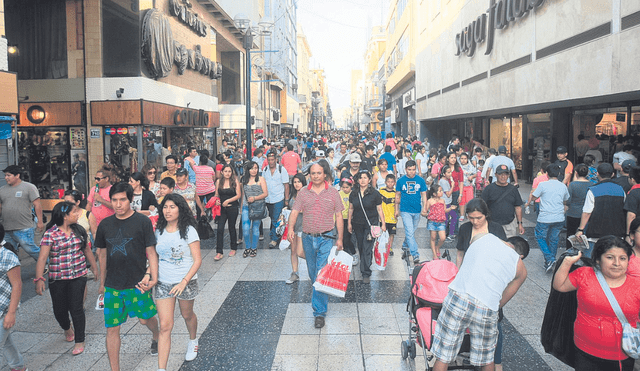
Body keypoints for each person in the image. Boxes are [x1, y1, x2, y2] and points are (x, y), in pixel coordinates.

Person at [431, 233, 528, 371]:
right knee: (487, 359)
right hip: (486, 307)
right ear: (521, 256)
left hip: (459, 297)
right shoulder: (520, 267)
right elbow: (502, 300)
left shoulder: (484, 237)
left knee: (443, 356)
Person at [94, 182, 160, 370]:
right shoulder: (105, 224)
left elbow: (151, 252)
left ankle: (156, 334)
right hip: (113, 285)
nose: (118, 204)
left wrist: (153, 277)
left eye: (122, 199)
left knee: (145, 319)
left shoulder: (142, 222)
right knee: (112, 328)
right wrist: (102, 283)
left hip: (138, 283)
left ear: (130, 199)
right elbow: (102, 254)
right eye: (114, 200)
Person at [553, 236, 640, 371]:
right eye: (610, 257)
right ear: (598, 260)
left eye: (622, 258)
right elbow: (560, 286)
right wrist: (567, 262)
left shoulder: (636, 285)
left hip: (621, 354)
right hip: (585, 351)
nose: (617, 263)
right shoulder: (584, 274)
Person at [453, 198, 509, 370]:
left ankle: (495, 362)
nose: (475, 222)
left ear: (486, 215)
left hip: (491, 283)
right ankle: (469, 353)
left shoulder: (496, 229)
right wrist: (458, 275)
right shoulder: (465, 228)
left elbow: (505, 255)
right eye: (471, 218)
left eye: (479, 218)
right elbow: (460, 254)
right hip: (469, 282)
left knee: (494, 323)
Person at [35, 201, 97, 356]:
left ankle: (80, 341)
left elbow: (87, 250)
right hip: (58, 278)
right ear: (65, 215)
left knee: (76, 308)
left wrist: (95, 268)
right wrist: (39, 279)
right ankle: (67, 328)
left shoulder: (79, 231)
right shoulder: (50, 234)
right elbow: (42, 258)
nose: (77, 214)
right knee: (59, 309)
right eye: (74, 212)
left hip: (78, 275)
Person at [287, 161, 343, 328]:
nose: (316, 176)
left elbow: (339, 216)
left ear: (324, 174)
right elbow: (294, 212)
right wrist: (290, 228)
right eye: (313, 173)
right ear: (309, 175)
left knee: (321, 273)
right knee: (313, 273)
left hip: (327, 237)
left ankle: (319, 312)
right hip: (308, 238)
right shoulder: (304, 192)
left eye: (319, 173)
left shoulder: (333, 192)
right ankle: (320, 293)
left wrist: (340, 238)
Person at [154, 194, 202, 369]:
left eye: (172, 207)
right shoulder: (158, 230)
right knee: (165, 326)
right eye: (165, 207)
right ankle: (161, 368)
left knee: (187, 315)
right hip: (163, 282)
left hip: (185, 281)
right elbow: (154, 258)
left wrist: (183, 282)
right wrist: (148, 274)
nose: (168, 211)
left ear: (180, 209)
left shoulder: (189, 230)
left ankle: (193, 339)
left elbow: (197, 260)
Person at [574, 163, 626, 258]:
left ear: (597, 174)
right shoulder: (621, 190)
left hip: (596, 233)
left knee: (591, 260)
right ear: (612, 174)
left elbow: (587, 212)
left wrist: (580, 229)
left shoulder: (593, 190)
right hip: (616, 233)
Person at [528, 164, 569, 272]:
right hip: (559, 217)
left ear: (546, 174)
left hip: (545, 217)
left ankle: (550, 259)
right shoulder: (563, 186)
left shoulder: (542, 185)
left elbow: (534, 197)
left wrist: (533, 195)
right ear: (559, 174)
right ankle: (549, 263)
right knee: (554, 239)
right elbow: (566, 200)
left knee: (540, 237)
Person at [0, 165, 45, 262]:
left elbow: (37, 205)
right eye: (5, 175)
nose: (6, 178)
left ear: (17, 175)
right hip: (7, 228)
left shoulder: (29, 187)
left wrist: (40, 221)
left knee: (30, 249)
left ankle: (46, 262)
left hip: (24, 227)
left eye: (8, 175)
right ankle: (13, 270)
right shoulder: (2, 190)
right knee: (9, 251)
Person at [348, 170, 385, 284]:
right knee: (361, 247)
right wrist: (349, 222)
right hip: (357, 224)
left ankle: (366, 273)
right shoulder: (354, 193)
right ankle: (365, 264)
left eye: (365, 178)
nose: (363, 180)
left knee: (367, 247)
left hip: (371, 225)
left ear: (369, 180)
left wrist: (383, 223)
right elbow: (351, 208)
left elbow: (379, 209)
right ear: (357, 180)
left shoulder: (375, 193)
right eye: (360, 178)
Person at [0, 224, 27, 371]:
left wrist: (11, 313)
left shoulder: (7, 256)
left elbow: (17, 285)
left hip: (4, 309)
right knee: (5, 341)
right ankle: (18, 366)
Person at [395, 160, 428, 263]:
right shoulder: (400, 181)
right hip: (405, 210)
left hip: (417, 210)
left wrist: (425, 208)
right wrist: (396, 209)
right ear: (405, 170)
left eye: (414, 170)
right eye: (409, 170)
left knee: (411, 232)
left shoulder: (421, 180)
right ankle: (415, 254)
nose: (412, 172)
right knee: (410, 232)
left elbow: (424, 195)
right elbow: (397, 195)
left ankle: (405, 245)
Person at [481, 165, 525, 238]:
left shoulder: (513, 189)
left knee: (509, 246)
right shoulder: (489, 189)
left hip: (509, 225)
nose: (503, 176)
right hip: (492, 225)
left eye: (505, 174)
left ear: (508, 175)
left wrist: (520, 224)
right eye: (500, 174)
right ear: (495, 175)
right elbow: (482, 206)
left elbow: (518, 207)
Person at [213, 164, 242, 260]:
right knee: (220, 228)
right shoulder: (218, 182)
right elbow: (216, 194)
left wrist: (228, 201)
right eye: (225, 171)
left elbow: (238, 195)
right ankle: (219, 251)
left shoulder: (235, 182)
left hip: (232, 208)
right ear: (222, 172)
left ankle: (233, 248)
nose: (227, 173)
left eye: (229, 171)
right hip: (221, 209)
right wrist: (217, 200)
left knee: (231, 228)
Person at [241, 161, 269, 258]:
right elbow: (243, 195)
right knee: (245, 228)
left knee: (255, 228)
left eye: (256, 168)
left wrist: (254, 198)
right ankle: (247, 247)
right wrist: (241, 208)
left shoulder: (261, 179)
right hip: (246, 206)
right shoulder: (244, 179)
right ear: (248, 169)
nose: (254, 170)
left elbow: (265, 193)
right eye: (252, 168)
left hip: (258, 206)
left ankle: (253, 248)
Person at [262, 152, 290, 249]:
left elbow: (286, 185)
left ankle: (274, 239)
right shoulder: (265, 170)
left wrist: (286, 200)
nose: (271, 162)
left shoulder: (282, 170)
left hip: (279, 198)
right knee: (272, 217)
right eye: (269, 160)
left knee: (275, 218)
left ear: (276, 160)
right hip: (268, 199)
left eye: (272, 160)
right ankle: (276, 232)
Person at [285, 173, 307, 284]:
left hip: (304, 227)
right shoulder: (292, 195)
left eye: (299, 182)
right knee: (293, 251)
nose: (297, 184)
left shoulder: (308, 194)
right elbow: (290, 207)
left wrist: (298, 210)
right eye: (295, 182)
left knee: (300, 251)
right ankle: (295, 273)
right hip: (293, 226)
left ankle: (316, 262)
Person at [564, 164, 592, 244]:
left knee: (570, 233)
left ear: (576, 173)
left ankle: (570, 250)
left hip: (572, 212)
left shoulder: (573, 185)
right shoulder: (591, 184)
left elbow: (568, 200)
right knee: (584, 234)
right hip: (586, 213)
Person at [87, 165, 115, 237]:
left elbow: (115, 206)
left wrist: (101, 200)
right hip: (94, 225)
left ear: (106, 179)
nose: (96, 181)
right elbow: (89, 204)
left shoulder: (113, 189)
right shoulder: (94, 189)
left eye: (98, 179)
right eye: (95, 179)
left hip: (109, 225)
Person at [424, 184, 448, 259]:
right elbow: (425, 211)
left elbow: (444, 210)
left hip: (441, 222)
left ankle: (437, 247)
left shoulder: (443, 201)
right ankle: (434, 254)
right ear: (434, 194)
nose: (442, 192)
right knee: (433, 238)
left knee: (443, 238)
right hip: (432, 222)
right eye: (440, 191)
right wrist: (426, 214)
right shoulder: (430, 201)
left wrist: (450, 209)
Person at [379, 174, 398, 256]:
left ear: (394, 183)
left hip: (392, 217)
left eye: (392, 182)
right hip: (383, 217)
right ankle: (382, 246)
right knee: (382, 233)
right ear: (385, 182)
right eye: (388, 182)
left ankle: (389, 247)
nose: (390, 184)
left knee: (391, 234)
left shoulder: (396, 193)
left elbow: (397, 203)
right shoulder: (381, 191)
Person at [338, 178, 356, 262]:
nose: (345, 189)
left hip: (351, 219)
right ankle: (346, 253)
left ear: (351, 186)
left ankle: (352, 253)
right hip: (341, 219)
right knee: (344, 238)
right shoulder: (338, 194)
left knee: (349, 238)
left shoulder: (353, 194)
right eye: (343, 187)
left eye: (347, 187)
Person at [439, 165, 458, 241]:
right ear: (444, 173)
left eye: (450, 172)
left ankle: (447, 234)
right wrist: (453, 186)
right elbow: (448, 194)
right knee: (452, 217)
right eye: (448, 172)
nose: (450, 174)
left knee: (449, 218)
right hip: (446, 203)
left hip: (447, 202)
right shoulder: (443, 182)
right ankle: (449, 234)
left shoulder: (444, 181)